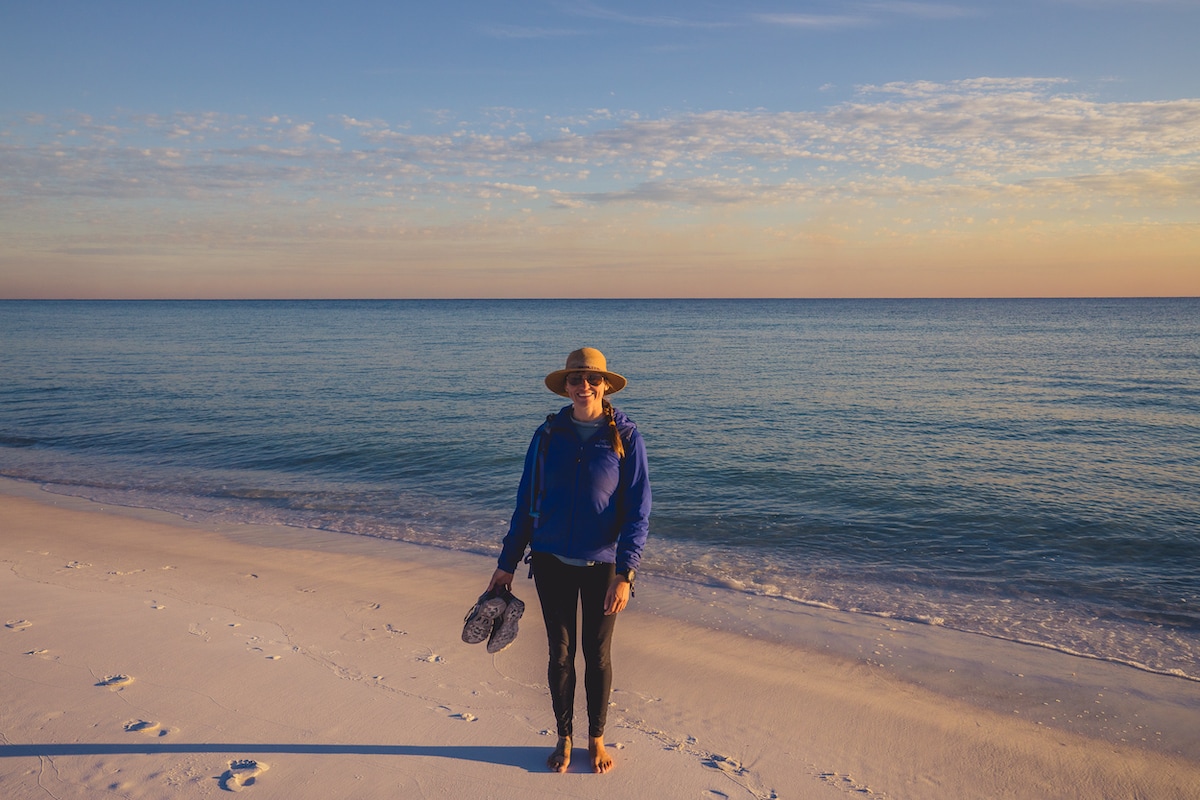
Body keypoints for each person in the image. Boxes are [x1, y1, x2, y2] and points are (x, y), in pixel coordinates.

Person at [486, 347, 651, 774]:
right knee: (559, 654)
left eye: (591, 379)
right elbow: (525, 503)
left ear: (604, 385)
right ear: (566, 386)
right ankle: (564, 736)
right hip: (551, 561)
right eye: (576, 379)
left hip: (604, 566)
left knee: (596, 655)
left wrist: (627, 574)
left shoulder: (626, 437)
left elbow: (638, 512)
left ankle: (596, 738)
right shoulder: (546, 436)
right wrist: (507, 562)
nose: (583, 386)